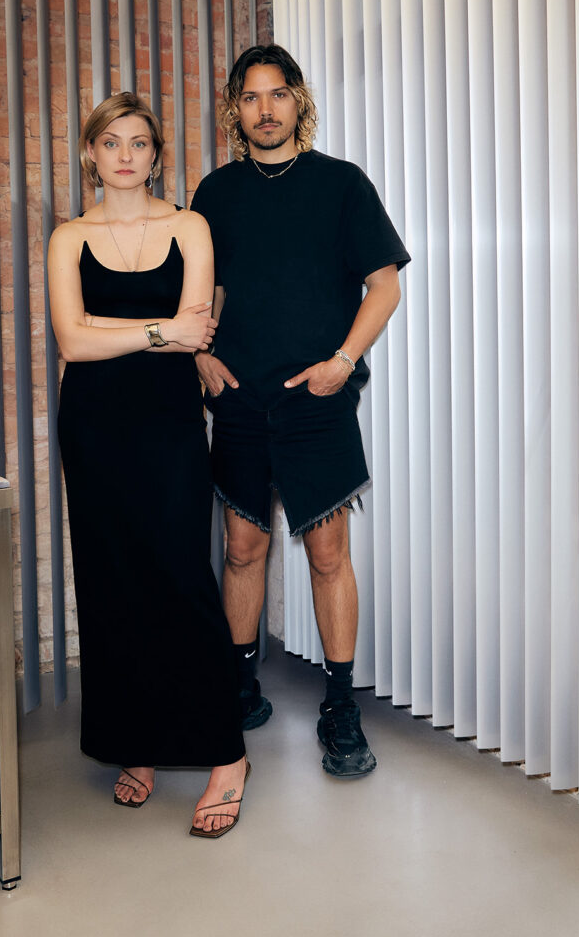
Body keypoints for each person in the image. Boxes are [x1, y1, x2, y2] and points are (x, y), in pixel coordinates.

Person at [191, 44, 410, 777]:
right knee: (243, 550)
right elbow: (201, 296)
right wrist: (199, 355)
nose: (265, 109)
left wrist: (343, 363)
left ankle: (339, 704)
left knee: (327, 555)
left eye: (277, 93)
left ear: (298, 101)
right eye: (250, 97)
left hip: (318, 400)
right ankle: (239, 684)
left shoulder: (343, 185)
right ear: (235, 110)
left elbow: (384, 286)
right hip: (243, 400)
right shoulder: (214, 195)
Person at [48, 91, 249, 836]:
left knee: (181, 576)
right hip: (93, 427)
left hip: (166, 425)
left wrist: (121, 327)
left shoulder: (188, 226)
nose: (125, 154)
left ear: (156, 154)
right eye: (111, 142)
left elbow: (196, 335)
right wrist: (159, 327)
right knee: (109, 581)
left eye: (139, 142)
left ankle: (227, 757)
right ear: (90, 154)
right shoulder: (67, 238)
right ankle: (137, 741)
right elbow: (71, 342)